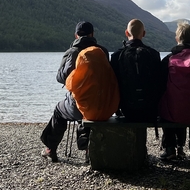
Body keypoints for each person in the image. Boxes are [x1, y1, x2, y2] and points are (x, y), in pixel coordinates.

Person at [40, 21, 110, 162]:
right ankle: (88, 147)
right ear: (92, 34)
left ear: (76, 35)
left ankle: (50, 149)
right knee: (85, 107)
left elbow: (61, 77)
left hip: (78, 105)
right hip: (102, 104)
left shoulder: (73, 52)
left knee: (59, 110)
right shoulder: (102, 51)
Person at [158, 21, 190, 160]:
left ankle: (169, 148)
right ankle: (181, 148)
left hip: (173, 113)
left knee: (172, 102)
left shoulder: (168, 59)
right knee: (185, 102)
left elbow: (160, 86)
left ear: (177, 38)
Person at [110, 19, 164, 122]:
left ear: (126, 33)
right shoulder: (153, 54)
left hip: (126, 110)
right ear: (144, 34)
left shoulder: (116, 56)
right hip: (150, 110)